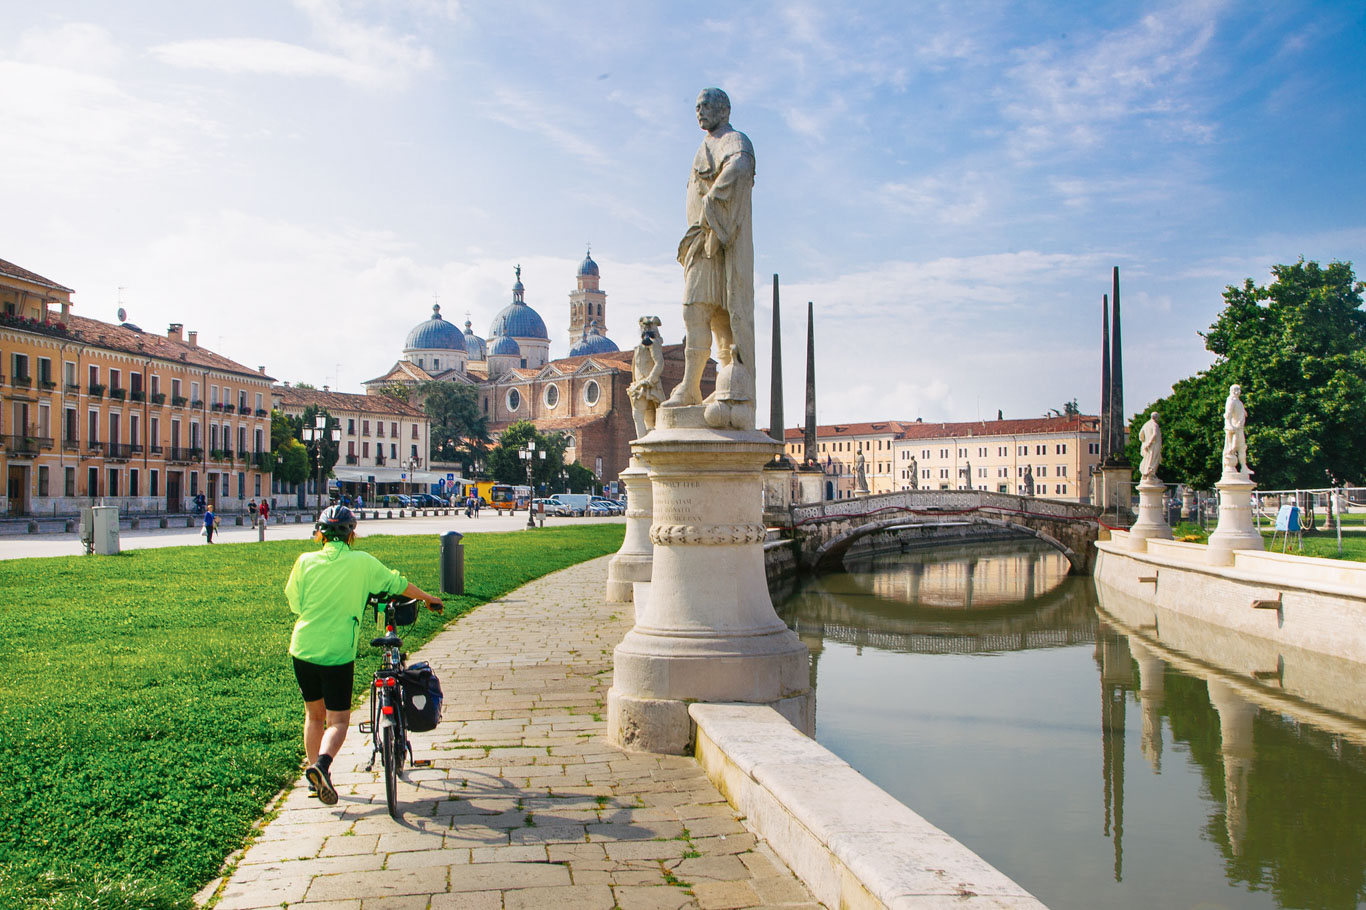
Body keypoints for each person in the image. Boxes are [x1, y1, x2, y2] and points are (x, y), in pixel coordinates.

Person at [284, 505, 443, 805]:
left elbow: (295, 603)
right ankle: (322, 765)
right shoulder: (362, 563)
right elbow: (399, 584)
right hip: (337, 652)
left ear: (319, 534)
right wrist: (429, 598)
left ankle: (314, 777)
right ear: (352, 534)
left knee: (313, 715)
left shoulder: (304, 562)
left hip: (303, 648)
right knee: (339, 721)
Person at [663, 87, 757, 430]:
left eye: (705, 106)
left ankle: (697, 387)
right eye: (696, 107)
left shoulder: (735, 140)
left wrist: (711, 210)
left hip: (714, 241)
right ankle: (709, 388)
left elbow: (742, 167)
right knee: (707, 315)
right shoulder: (706, 146)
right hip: (700, 241)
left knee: (705, 313)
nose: (699, 112)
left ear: (725, 109)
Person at [1139, 412, 1163, 481]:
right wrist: (1149, 443)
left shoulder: (1146, 424)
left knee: (1147, 459)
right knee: (1153, 459)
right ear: (1156, 417)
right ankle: (1151, 475)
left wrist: (1144, 443)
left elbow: (1140, 435)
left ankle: (1145, 474)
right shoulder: (1155, 425)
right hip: (1154, 444)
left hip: (1147, 445)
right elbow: (1155, 434)